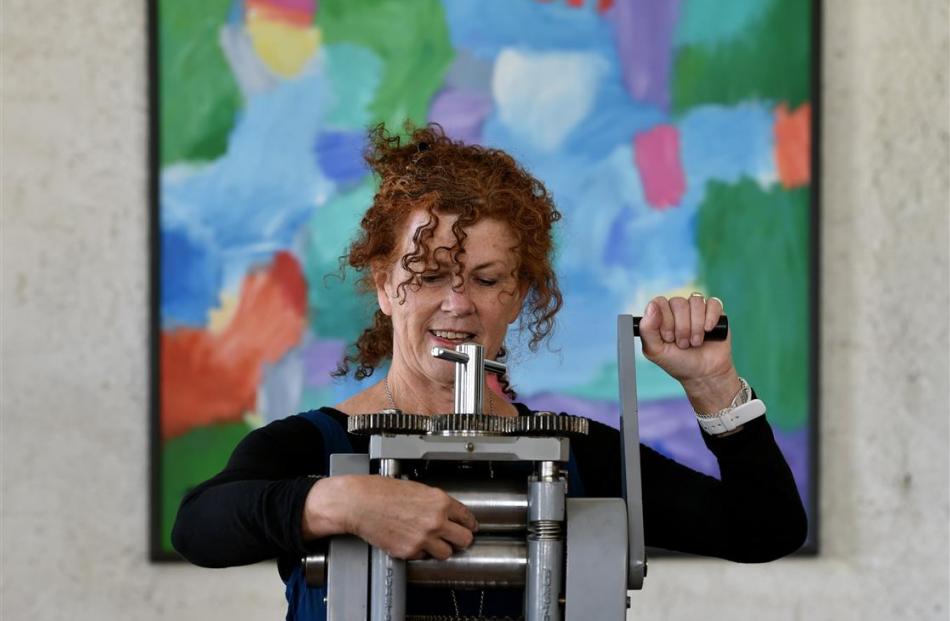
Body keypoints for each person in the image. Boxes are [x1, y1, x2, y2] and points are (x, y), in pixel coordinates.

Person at [172, 123, 807, 619]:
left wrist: (709, 383)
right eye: (428, 278)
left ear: (518, 294)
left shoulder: (577, 454)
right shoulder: (310, 445)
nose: (457, 304)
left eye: (486, 279)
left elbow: (765, 529)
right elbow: (199, 528)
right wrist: (344, 501)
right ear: (385, 286)